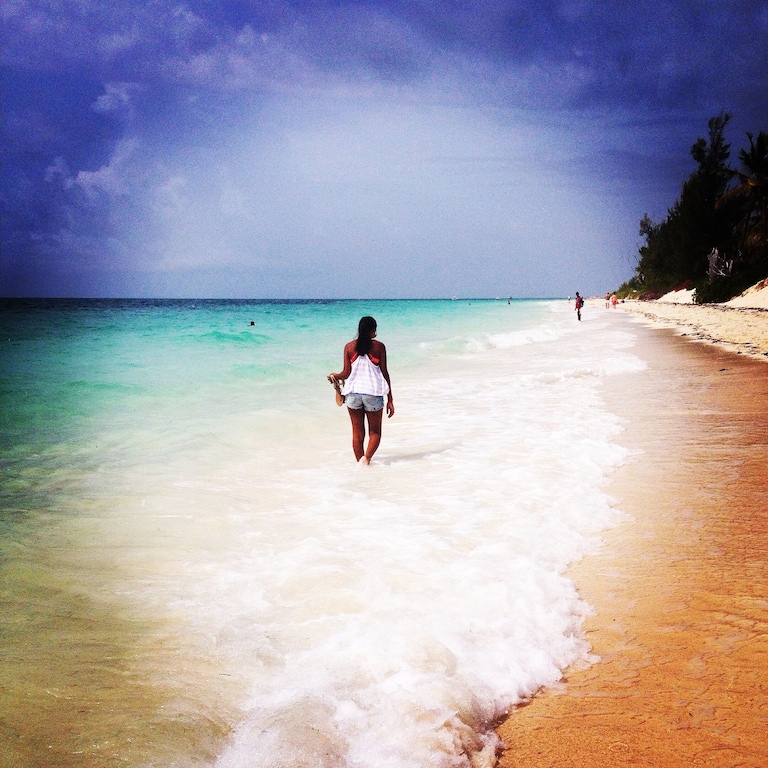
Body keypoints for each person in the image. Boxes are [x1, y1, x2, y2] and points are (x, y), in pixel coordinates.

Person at [328, 316, 394, 464]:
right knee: (375, 432)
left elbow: (345, 373)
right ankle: (366, 459)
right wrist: (390, 399)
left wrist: (334, 375)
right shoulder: (379, 347)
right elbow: (384, 373)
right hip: (373, 394)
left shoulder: (349, 347)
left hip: (352, 394)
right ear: (373, 331)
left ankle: (361, 465)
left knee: (357, 434)